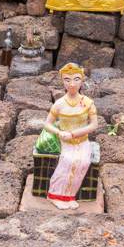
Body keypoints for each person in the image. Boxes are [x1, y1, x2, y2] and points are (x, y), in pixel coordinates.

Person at [42, 62, 98, 209]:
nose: (72, 84)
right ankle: (54, 195)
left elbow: (94, 125)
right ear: (63, 81)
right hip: (66, 142)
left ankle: (69, 195)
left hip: (82, 141)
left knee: (83, 162)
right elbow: (47, 124)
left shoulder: (87, 103)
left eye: (76, 79)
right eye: (67, 80)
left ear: (82, 80)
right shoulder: (59, 104)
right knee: (68, 161)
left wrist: (74, 133)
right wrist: (59, 132)